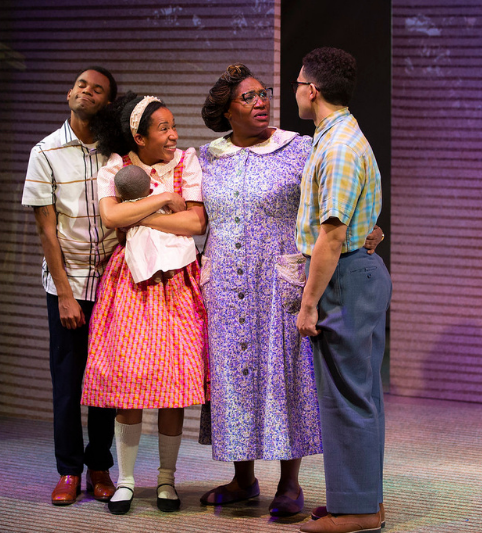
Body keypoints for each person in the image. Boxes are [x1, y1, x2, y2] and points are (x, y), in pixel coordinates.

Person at [196, 64, 384, 519]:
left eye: (265, 93)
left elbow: (338, 204)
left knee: (284, 376)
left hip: (282, 279)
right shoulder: (203, 157)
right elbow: (195, 218)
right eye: (249, 97)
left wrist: (367, 232)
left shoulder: (299, 148)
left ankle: (290, 483)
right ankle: (242, 478)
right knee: (233, 376)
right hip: (224, 283)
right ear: (226, 110)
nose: (262, 102)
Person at [81, 94, 208, 515]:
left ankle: (167, 480)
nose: (173, 135)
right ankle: (128, 481)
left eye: (174, 126)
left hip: (177, 282)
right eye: (163, 128)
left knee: (173, 389)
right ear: (139, 136)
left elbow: (194, 222)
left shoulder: (186, 164)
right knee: (129, 385)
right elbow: (111, 218)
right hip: (131, 284)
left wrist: (138, 211)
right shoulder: (116, 168)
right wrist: (158, 201)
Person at [293, 47, 392, 533]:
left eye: (296, 84)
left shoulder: (337, 146)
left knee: (349, 396)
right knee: (354, 395)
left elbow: (331, 236)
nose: (294, 92)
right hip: (354, 273)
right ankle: (359, 501)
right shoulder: (339, 137)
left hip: (344, 279)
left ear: (312, 90)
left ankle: (357, 511)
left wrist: (309, 304)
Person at [21, 67, 119, 506]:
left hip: (114, 283)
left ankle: (100, 465)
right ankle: (67, 470)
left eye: (97, 90)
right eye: (82, 85)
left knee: (105, 383)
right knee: (67, 381)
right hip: (69, 283)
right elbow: (46, 232)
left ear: (107, 103)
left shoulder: (116, 152)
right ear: (69, 93)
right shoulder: (44, 152)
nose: (87, 92)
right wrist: (63, 293)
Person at [113, 164, 197, 283]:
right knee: (166, 245)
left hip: (139, 236)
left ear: (120, 193)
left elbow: (120, 235)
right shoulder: (160, 194)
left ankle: (155, 273)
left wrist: (122, 235)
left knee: (144, 251)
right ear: (149, 181)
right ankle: (168, 269)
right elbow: (179, 207)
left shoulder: (126, 209)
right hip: (162, 229)